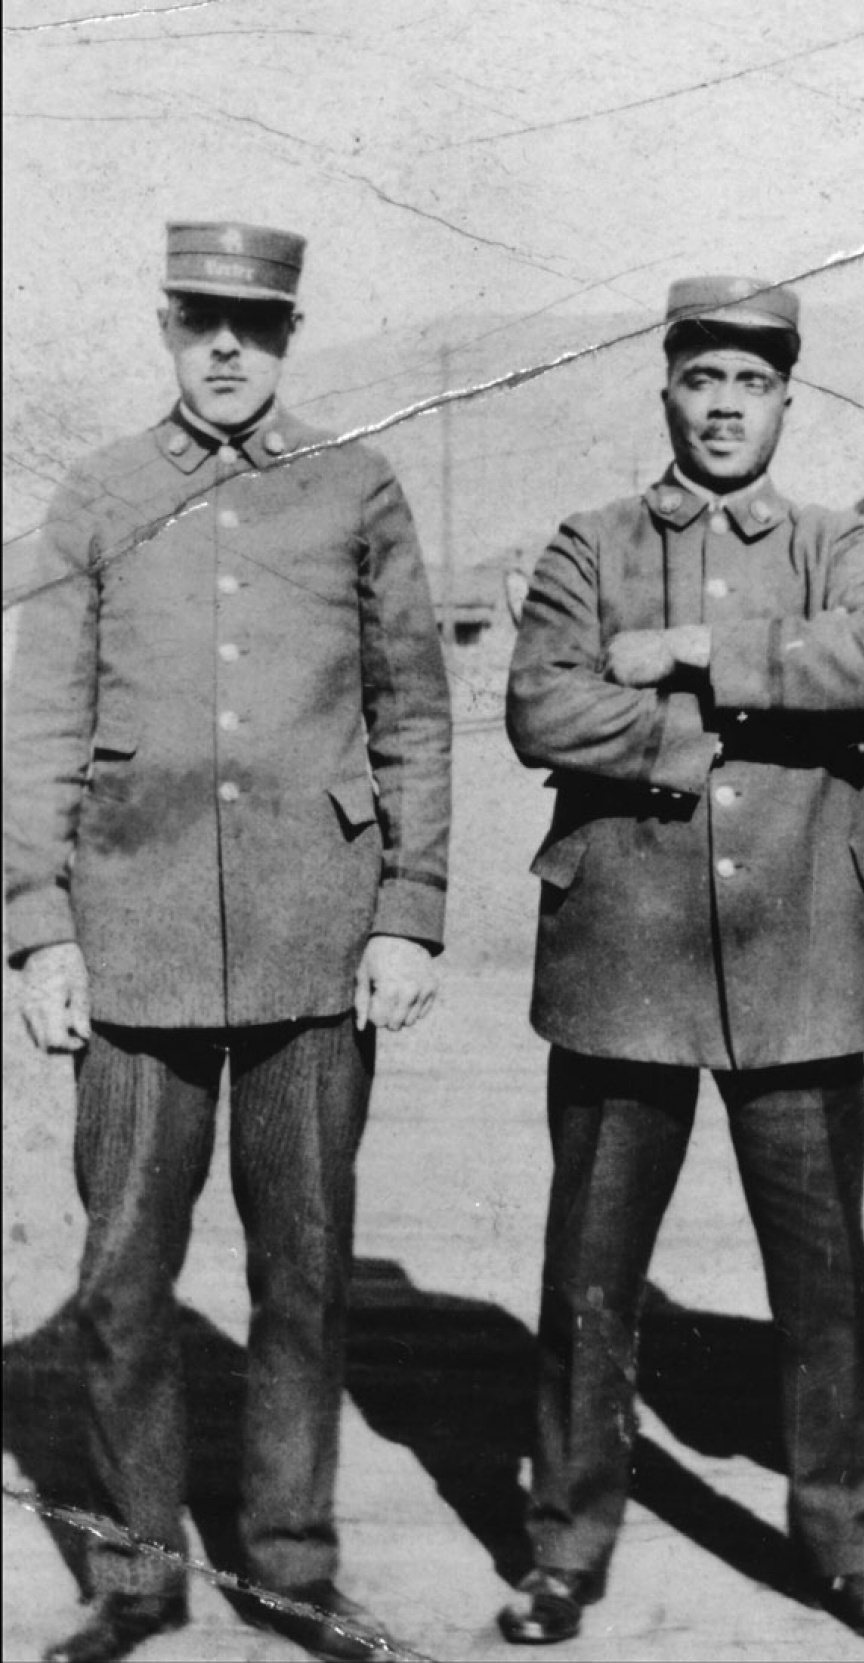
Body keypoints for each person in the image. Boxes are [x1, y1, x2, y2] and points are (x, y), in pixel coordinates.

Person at [4, 221, 453, 1663]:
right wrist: (36, 931)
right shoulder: (100, 495)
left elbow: (416, 719)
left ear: (289, 335)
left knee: (304, 1273)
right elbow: (41, 731)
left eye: (252, 327)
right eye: (201, 320)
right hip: (131, 951)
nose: (224, 349)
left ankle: (293, 1567)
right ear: (163, 325)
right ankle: (135, 1578)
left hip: (312, 951)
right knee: (124, 1277)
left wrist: (409, 912)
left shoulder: (356, 487)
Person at [497, 275, 864, 1648]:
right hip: (626, 956)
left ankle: (850, 1551)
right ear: (671, 391)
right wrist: (709, 736)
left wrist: (693, 652)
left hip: (800, 951)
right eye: (707, 382)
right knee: (589, 1274)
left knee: (824, 1283)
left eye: (755, 385)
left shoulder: (837, 541)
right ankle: (566, 1548)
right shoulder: (593, 540)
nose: (729, 407)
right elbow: (542, 705)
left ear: (786, 401)